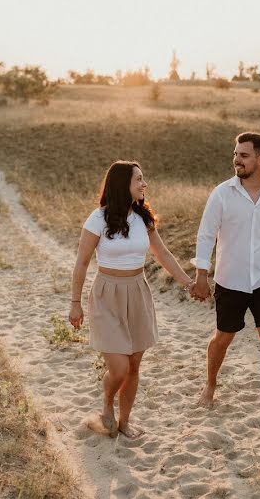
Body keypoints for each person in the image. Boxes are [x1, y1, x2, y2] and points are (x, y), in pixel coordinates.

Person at [69, 161, 194, 438]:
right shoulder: (98, 219)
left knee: (134, 365)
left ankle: (124, 421)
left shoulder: (143, 219)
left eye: (143, 179)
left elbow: (162, 254)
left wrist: (188, 282)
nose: (144, 184)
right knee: (119, 367)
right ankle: (106, 402)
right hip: (106, 294)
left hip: (137, 291)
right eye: (139, 179)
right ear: (121, 184)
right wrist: (75, 303)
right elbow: (81, 263)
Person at [190, 132, 260, 421]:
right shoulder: (222, 193)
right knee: (222, 339)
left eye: (244, 155)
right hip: (230, 280)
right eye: (235, 154)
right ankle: (210, 386)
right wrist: (202, 274)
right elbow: (206, 234)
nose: (236, 160)